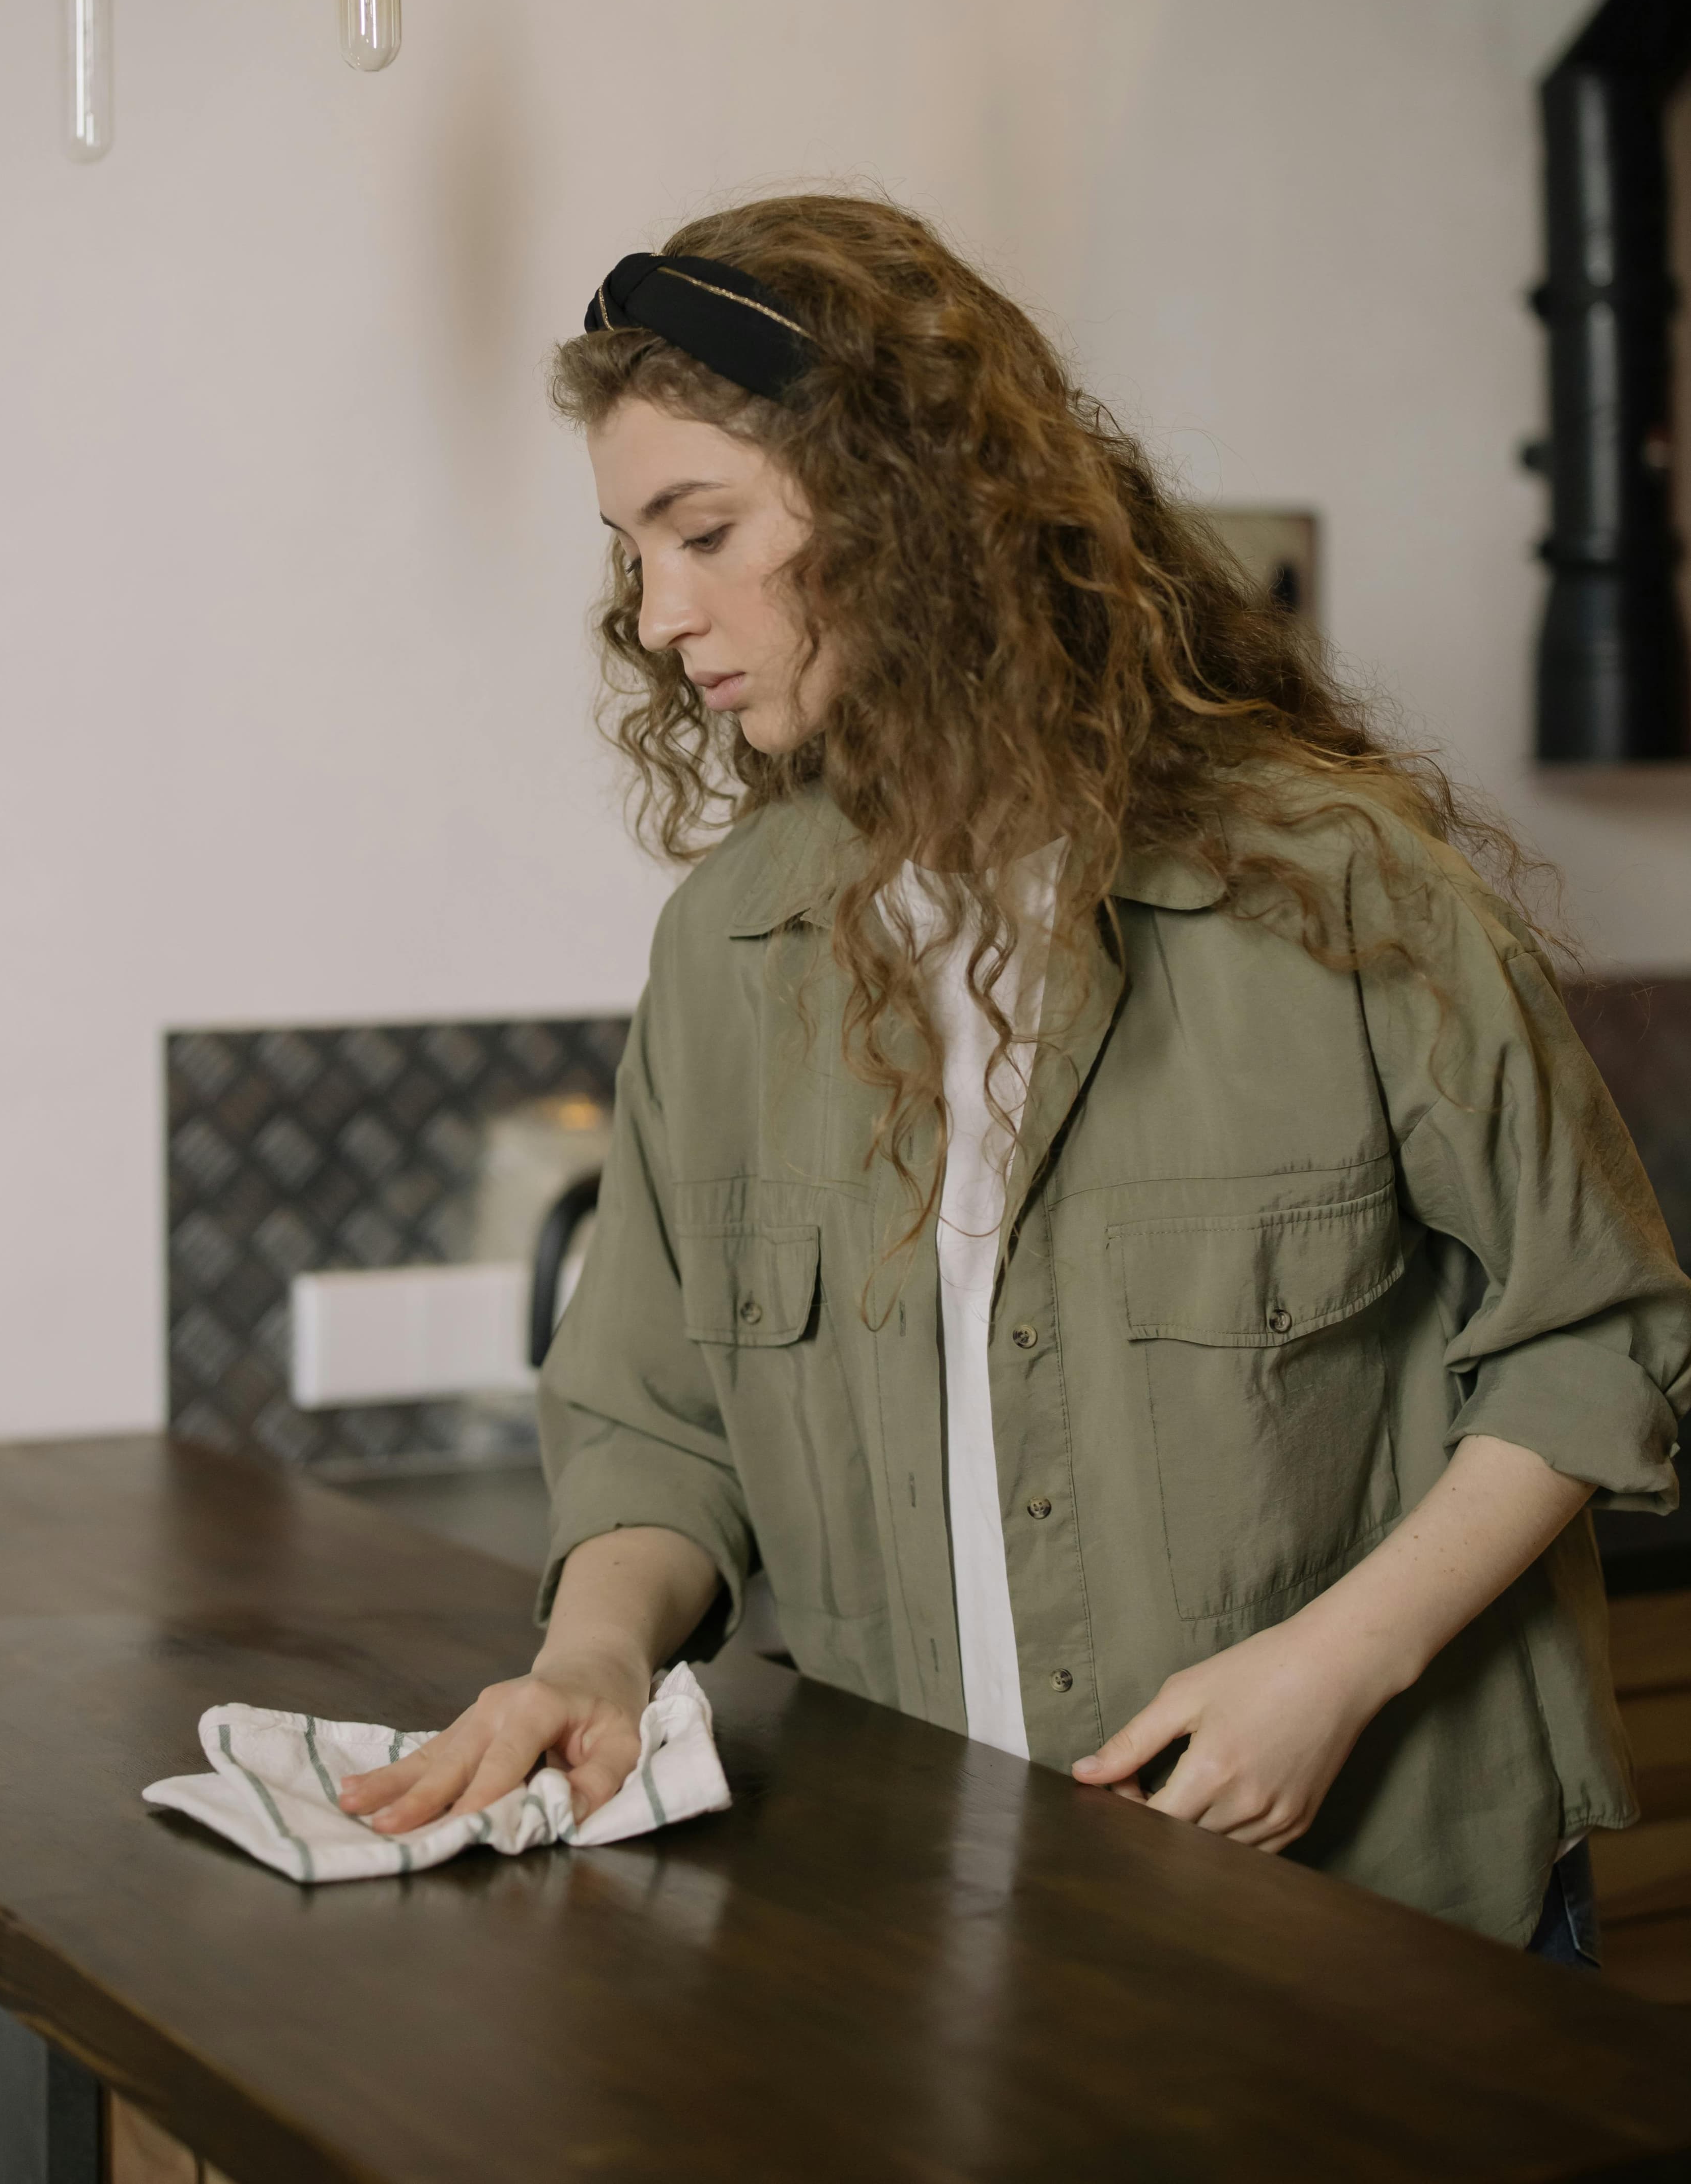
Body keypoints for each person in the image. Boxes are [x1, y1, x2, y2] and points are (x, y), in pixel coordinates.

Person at [339, 195, 1690, 1960]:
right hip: (933, 1909)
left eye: (706, 529)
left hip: (1385, 1901)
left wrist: (1333, 1668)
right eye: (634, 551)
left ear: (903, 502)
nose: (661, 612)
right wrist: (588, 1655)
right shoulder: (737, 951)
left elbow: (1594, 1329)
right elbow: (656, 1425)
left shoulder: (1333, 884)